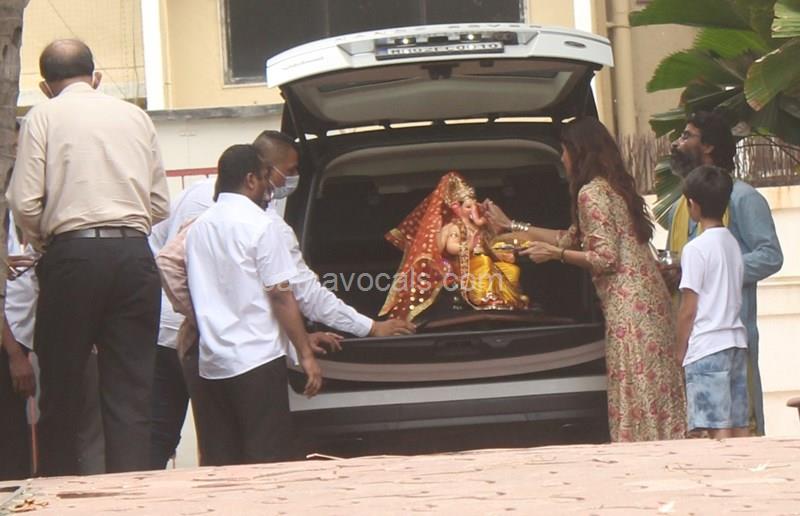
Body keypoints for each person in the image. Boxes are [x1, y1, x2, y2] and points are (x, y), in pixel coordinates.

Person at [8, 39, 169, 475]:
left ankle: (61, 490)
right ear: (95, 77)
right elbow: (159, 204)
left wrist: (45, 242)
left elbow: (24, 202)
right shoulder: (135, 116)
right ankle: (131, 491)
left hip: (72, 255)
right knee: (131, 391)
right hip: (134, 255)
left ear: (46, 86)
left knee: (62, 385)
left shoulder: (43, 115)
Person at [485, 117, 687, 442]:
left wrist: (556, 256)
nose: (562, 158)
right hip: (651, 306)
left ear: (578, 152)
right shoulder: (613, 188)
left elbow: (605, 259)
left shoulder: (590, 194)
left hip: (629, 311)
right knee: (655, 390)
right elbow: (572, 237)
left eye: (564, 151)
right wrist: (512, 226)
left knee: (637, 388)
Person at [185, 144, 324, 465]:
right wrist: (305, 354)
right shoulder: (261, 225)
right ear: (250, 180)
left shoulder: (199, 228)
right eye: (264, 178)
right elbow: (281, 295)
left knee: (223, 463)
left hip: (213, 364)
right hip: (257, 361)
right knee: (267, 461)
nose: (268, 188)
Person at [667, 111, 783, 435]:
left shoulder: (744, 197)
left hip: (732, 333)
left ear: (709, 146)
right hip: (697, 342)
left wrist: (719, 273)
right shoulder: (680, 207)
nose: (677, 143)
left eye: (687, 136)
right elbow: (686, 265)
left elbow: (771, 256)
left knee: (733, 427)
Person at [379, 171, 528, 323]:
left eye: (474, 206)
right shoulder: (455, 227)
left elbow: (489, 246)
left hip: (482, 262)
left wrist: (501, 253)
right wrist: (468, 247)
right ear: (456, 207)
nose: (473, 210)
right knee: (484, 262)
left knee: (511, 269)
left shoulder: (477, 227)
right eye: (468, 207)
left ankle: (508, 300)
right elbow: (451, 247)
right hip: (463, 265)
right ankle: (484, 299)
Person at [676, 166, 749, 439]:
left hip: (707, 347)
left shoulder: (695, 249)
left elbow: (688, 309)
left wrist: (679, 351)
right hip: (736, 342)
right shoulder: (732, 243)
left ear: (692, 204)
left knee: (716, 429)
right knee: (739, 425)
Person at [148, 178, 214, 470]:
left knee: (159, 431)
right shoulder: (213, 202)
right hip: (192, 328)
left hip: (165, 323)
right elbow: (170, 260)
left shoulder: (196, 192)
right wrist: (198, 315)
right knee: (216, 430)